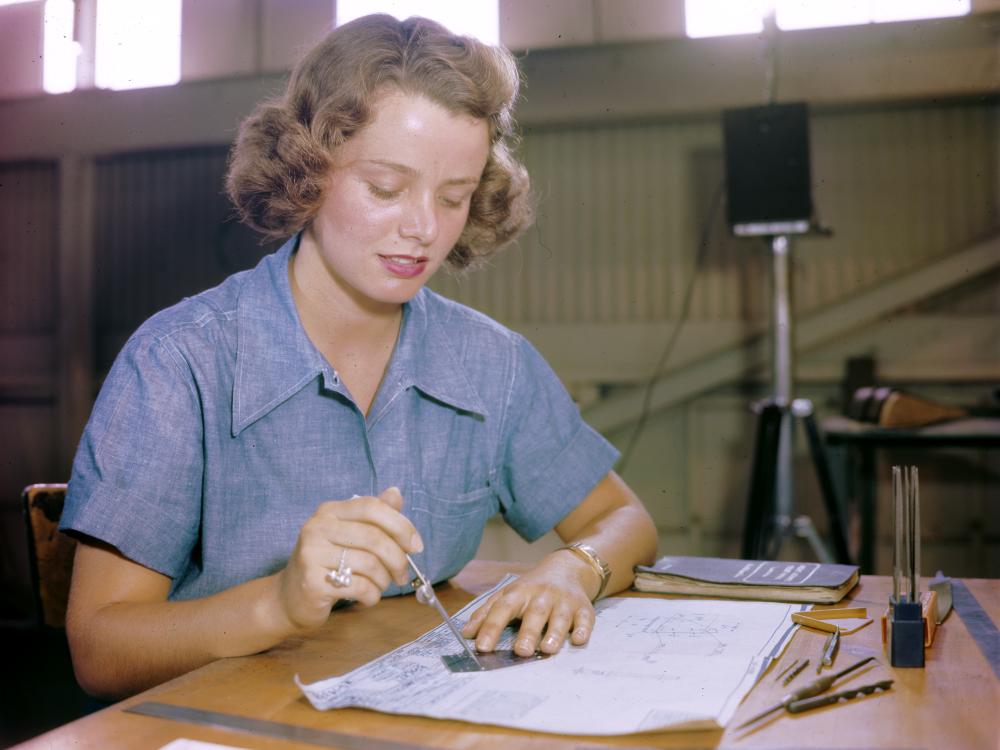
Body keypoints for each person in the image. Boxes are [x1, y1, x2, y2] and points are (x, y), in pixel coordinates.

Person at [61, 13, 657, 701]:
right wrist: (278, 604)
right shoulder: (179, 364)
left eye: (454, 196)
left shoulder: (494, 365)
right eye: (384, 188)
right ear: (306, 170)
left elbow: (626, 522)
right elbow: (99, 650)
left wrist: (573, 570)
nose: (424, 229)